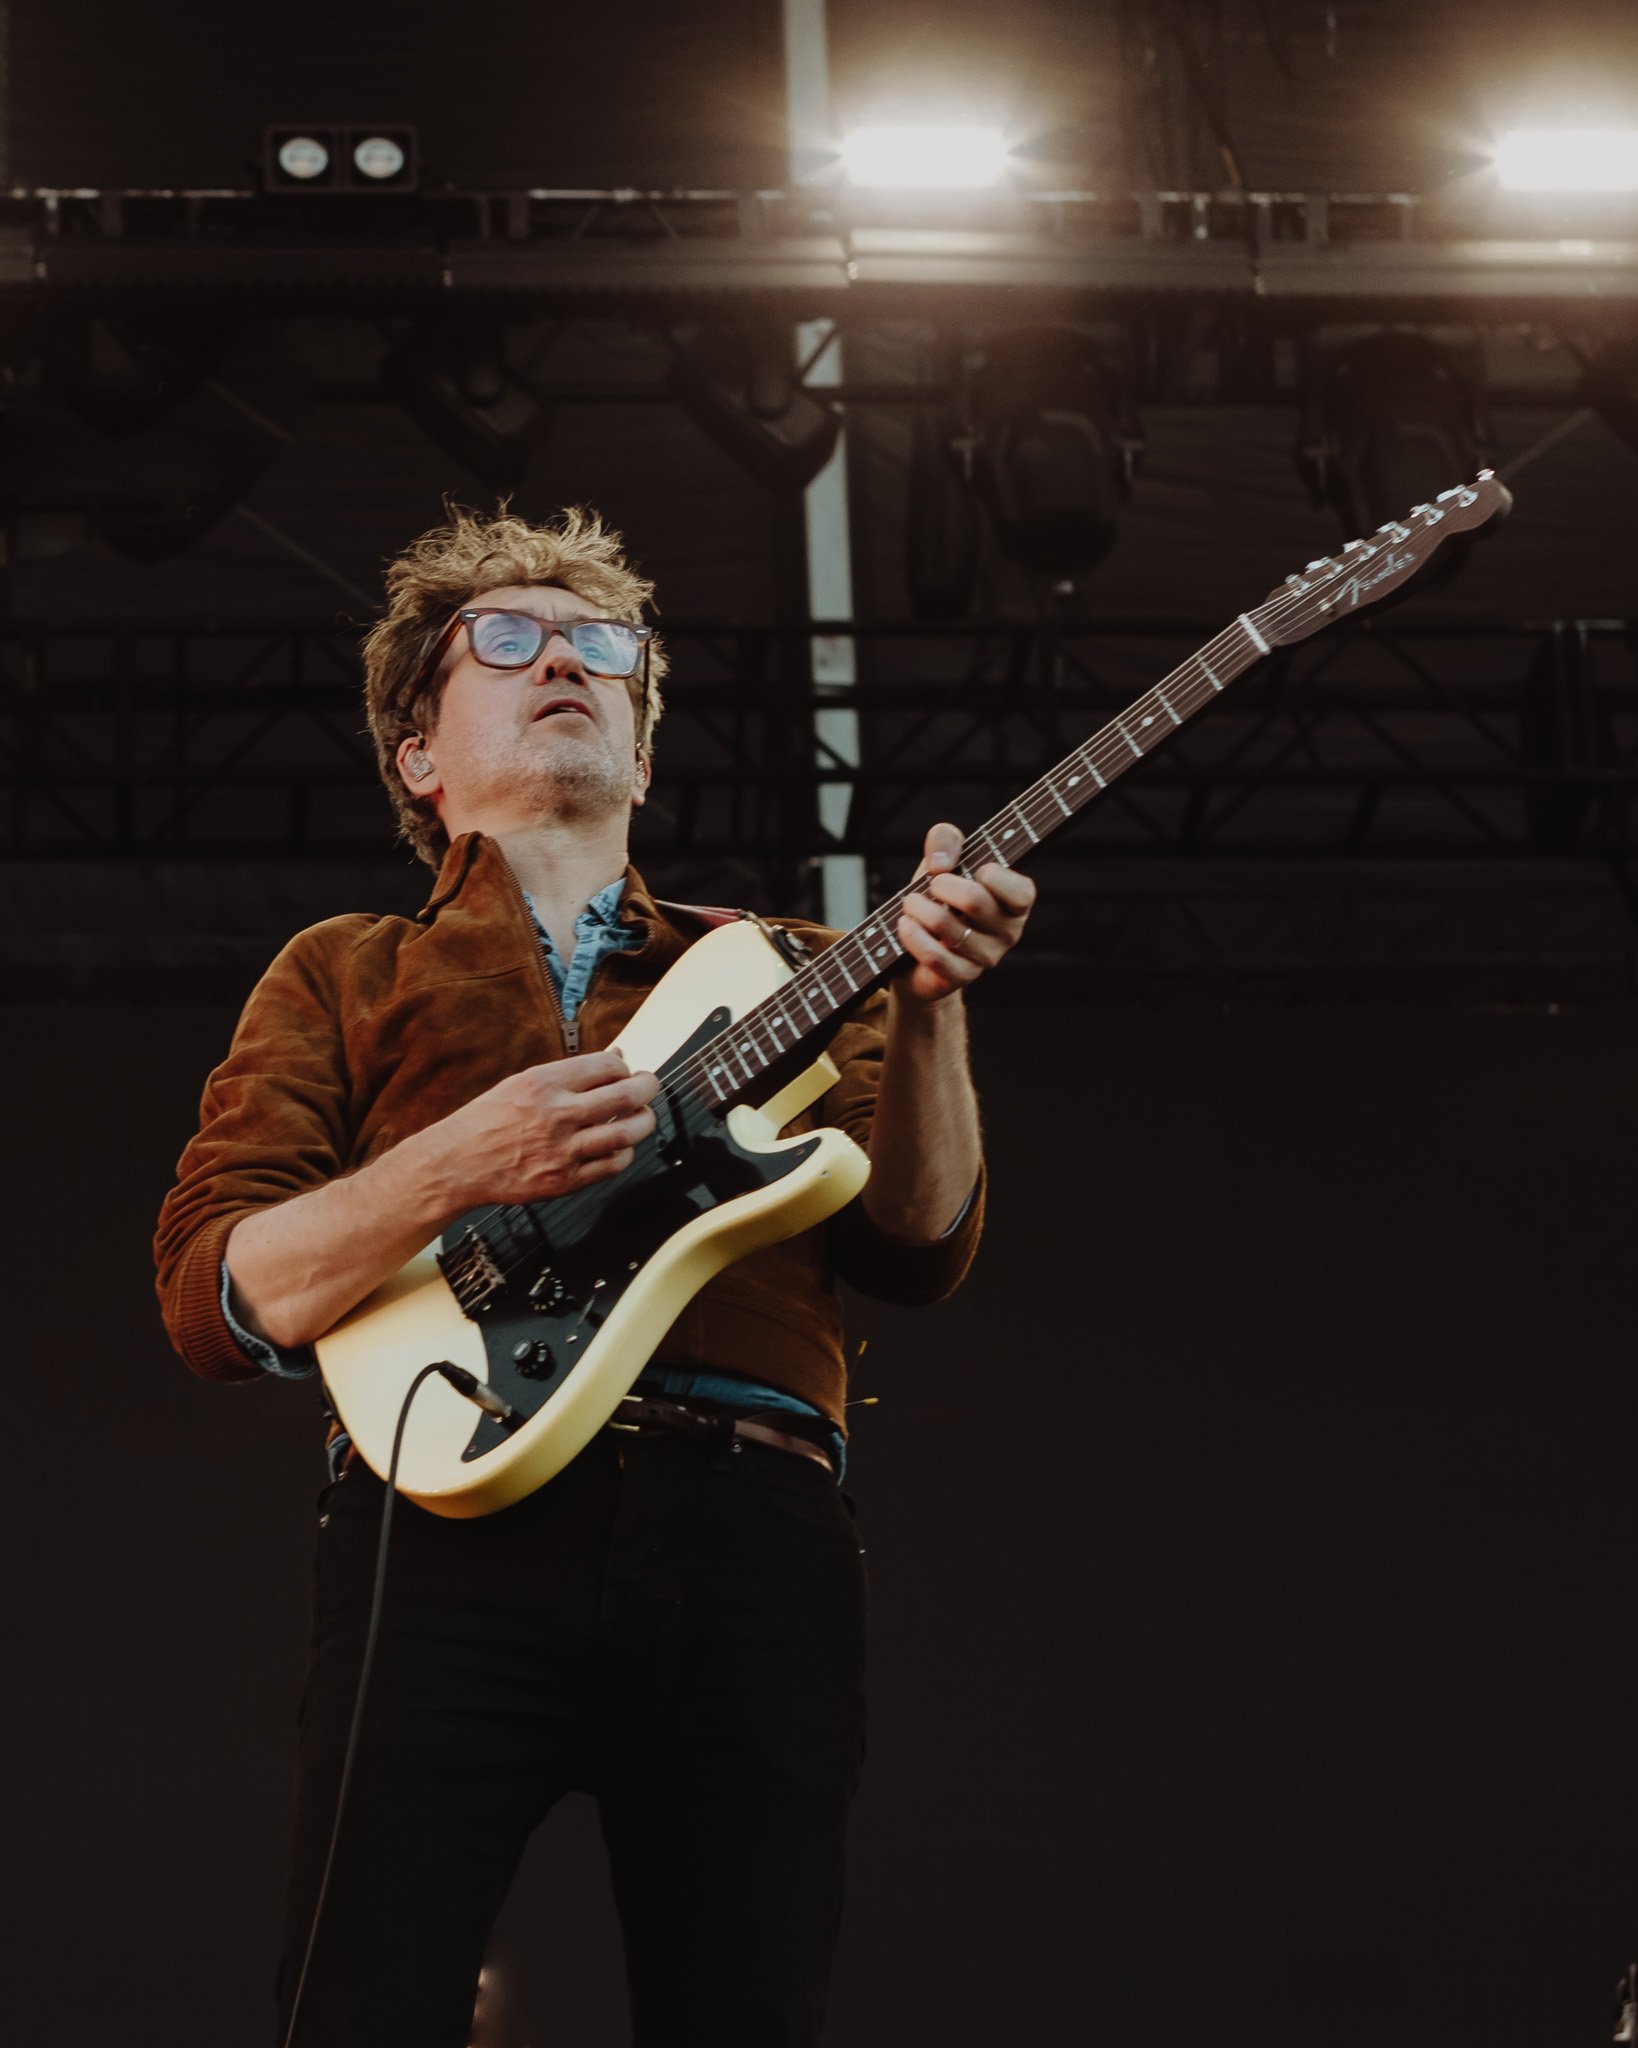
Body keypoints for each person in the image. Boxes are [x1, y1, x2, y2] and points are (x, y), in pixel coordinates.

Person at [154, 505, 1036, 2048]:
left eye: (601, 646)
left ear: (640, 750)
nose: (563, 651)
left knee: (746, 2006)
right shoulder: (343, 969)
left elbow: (913, 1243)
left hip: (746, 1518)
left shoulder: (788, 961)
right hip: (435, 1516)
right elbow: (223, 1292)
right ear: (418, 755)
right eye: (505, 639)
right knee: (361, 2001)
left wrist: (940, 1007)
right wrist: (457, 1160)